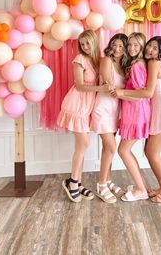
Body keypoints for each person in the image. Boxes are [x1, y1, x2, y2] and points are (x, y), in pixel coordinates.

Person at [113, 36, 161, 203]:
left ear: (160, 52)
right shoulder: (148, 63)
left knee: (153, 154)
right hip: (157, 112)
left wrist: (122, 92)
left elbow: (148, 93)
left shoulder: (153, 63)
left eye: (155, 48)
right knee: (150, 153)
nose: (150, 50)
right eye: (150, 46)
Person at [57, 30, 109, 203]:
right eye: (82, 44)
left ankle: (77, 183)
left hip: (88, 106)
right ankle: (72, 182)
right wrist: (100, 89)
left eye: (88, 43)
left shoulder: (98, 60)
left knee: (82, 145)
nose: (85, 47)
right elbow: (79, 86)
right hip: (77, 103)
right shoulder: (79, 60)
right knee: (83, 144)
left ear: (94, 42)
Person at [90, 33, 128, 203]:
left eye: (121, 46)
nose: (117, 49)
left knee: (108, 149)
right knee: (112, 147)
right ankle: (101, 185)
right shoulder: (106, 61)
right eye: (114, 45)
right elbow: (109, 86)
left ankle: (108, 181)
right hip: (102, 109)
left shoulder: (124, 65)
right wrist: (128, 92)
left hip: (115, 111)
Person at [115, 32, 151, 202]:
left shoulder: (137, 65)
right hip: (136, 112)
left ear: (142, 46)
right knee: (125, 150)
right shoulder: (138, 63)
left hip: (136, 112)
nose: (131, 48)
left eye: (136, 45)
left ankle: (141, 189)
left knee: (123, 150)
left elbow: (141, 94)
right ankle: (140, 185)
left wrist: (119, 94)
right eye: (129, 45)